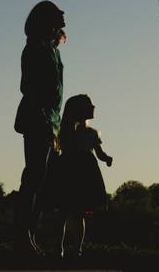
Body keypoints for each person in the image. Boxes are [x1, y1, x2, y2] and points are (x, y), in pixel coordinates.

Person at [12, 0, 66, 256]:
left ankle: (29, 237)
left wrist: (55, 127)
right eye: (57, 11)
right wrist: (43, 120)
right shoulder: (35, 45)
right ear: (46, 19)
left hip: (51, 123)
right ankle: (22, 239)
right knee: (33, 179)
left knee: (42, 183)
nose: (63, 13)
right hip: (38, 120)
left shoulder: (53, 48)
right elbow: (29, 87)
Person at [52, 94, 113, 259]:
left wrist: (106, 158)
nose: (93, 108)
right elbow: (67, 144)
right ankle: (59, 250)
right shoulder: (67, 130)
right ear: (76, 109)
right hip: (68, 171)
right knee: (63, 212)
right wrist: (71, 128)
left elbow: (99, 152)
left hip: (86, 173)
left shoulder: (94, 133)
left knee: (79, 214)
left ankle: (77, 251)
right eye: (89, 105)